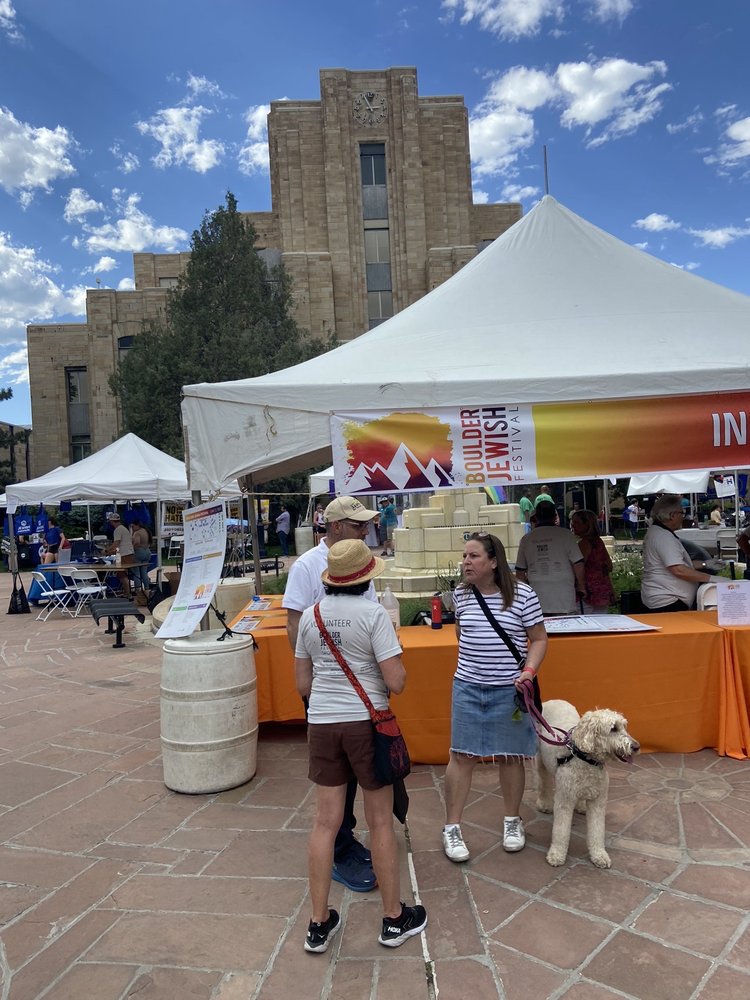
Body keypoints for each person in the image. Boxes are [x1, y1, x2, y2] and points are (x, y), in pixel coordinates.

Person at [295, 539, 427, 952]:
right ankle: (392, 918)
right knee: (381, 821)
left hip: (322, 724)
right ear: (365, 577)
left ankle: (318, 923)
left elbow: (303, 683)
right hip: (365, 724)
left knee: (325, 822)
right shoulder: (373, 615)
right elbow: (397, 682)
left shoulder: (310, 616)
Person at [283, 495, 380, 893]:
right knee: (335, 776)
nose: (364, 530)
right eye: (357, 525)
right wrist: (312, 681)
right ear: (334, 526)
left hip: (362, 692)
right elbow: (294, 627)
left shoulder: (360, 562)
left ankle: (346, 837)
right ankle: (339, 848)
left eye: (365, 525)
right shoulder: (307, 567)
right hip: (327, 690)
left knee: (359, 770)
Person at [442, 531, 547, 863]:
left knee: (511, 756)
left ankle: (512, 821)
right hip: (468, 688)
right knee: (461, 757)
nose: (465, 563)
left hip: (509, 692)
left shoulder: (524, 595)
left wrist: (528, 670)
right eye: (464, 557)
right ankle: (452, 828)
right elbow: (462, 633)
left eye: (473, 556)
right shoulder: (461, 595)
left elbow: (539, 639)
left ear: (492, 561)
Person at [640, 494, 713, 612]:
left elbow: (677, 564)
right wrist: (711, 578)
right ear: (672, 515)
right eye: (681, 513)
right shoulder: (663, 536)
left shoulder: (658, 532)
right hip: (668, 600)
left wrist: (706, 564)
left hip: (665, 597)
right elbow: (678, 569)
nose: (683, 517)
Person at [515, 501, 586, 614]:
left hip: (536, 596)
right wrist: (581, 587)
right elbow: (578, 564)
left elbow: (520, 571)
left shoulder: (526, 539)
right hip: (564, 595)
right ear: (554, 516)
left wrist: (521, 596)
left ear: (536, 517)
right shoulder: (566, 535)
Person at [570, 509, 615, 614]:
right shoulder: (598, 541)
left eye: (577, 522)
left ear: (587, 524)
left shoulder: (583, 544)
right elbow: (609, 566)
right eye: (572, 522)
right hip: (602, 589)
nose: (573, 526)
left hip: (588, 592)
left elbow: (577, 567)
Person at [106, 511, 135, 594]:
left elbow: (116, 543)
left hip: (124, 555)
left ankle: (128, 594)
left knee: (122, 575)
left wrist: (107, 550)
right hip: (128, 553)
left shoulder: (117, 530)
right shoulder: (124, 528)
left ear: (111, 521)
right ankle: (126, 593)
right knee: (122, 574)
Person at [130, 519, 152, 597]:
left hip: (139, 552)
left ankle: (138, 591)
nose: (132, 528)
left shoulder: (137, 533)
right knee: (144, 572)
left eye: (133, 526)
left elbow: (137, 542)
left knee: (137, 573)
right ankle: (147, 589)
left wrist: (131, 549)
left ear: (137, 525)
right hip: (147, 551)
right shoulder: (146, 531)